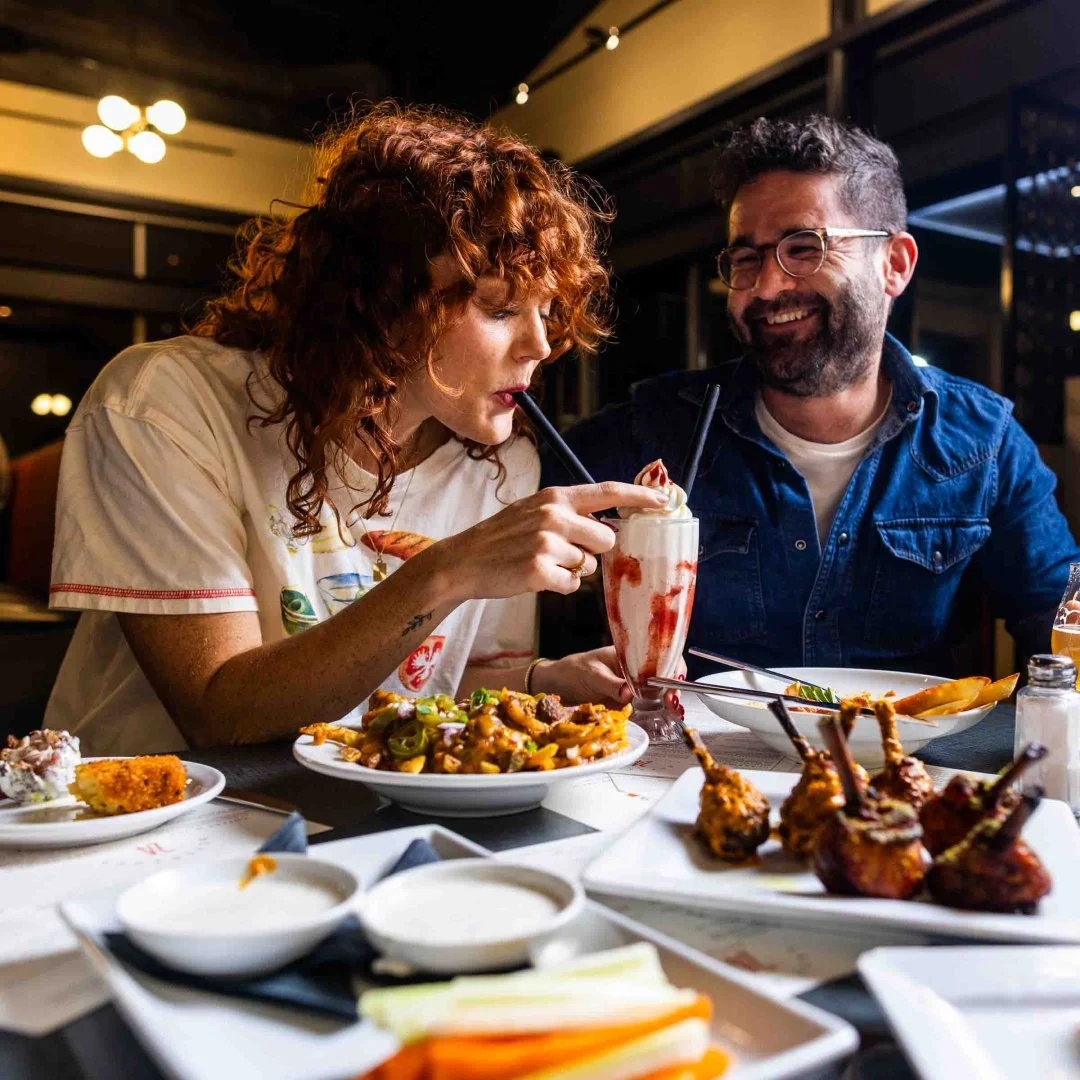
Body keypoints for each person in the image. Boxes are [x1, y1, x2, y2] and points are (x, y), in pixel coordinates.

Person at [45, 103, 668, 755]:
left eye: (546, 310)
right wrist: (446, 570)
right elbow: (215, 709)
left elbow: (449, 681)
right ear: (384, 298)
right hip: (147, 824)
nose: (541, 345)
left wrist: (541, 677)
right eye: (500, 306)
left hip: (354, 817)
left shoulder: (504, 464)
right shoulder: (164, 402)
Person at [547, 114, 1080, 677]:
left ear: (893, 265)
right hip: (698, 762)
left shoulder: (982, 443)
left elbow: (1058, 620)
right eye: (747, 259)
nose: (769, 287)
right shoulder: (658, 429)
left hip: (903, 759)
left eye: (804, 248)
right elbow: (495, 494)